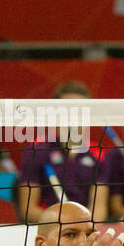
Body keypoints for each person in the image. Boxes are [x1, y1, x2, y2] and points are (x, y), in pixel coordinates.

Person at [15, 81, 110, 224]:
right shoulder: (37, 149)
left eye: (79, 111)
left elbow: (99, 208)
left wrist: (83, 226)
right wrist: (64, 221)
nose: (73, 116)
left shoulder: (99, 154)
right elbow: (28, 209)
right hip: (49, 227)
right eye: (67, 110)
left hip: (87, 231)